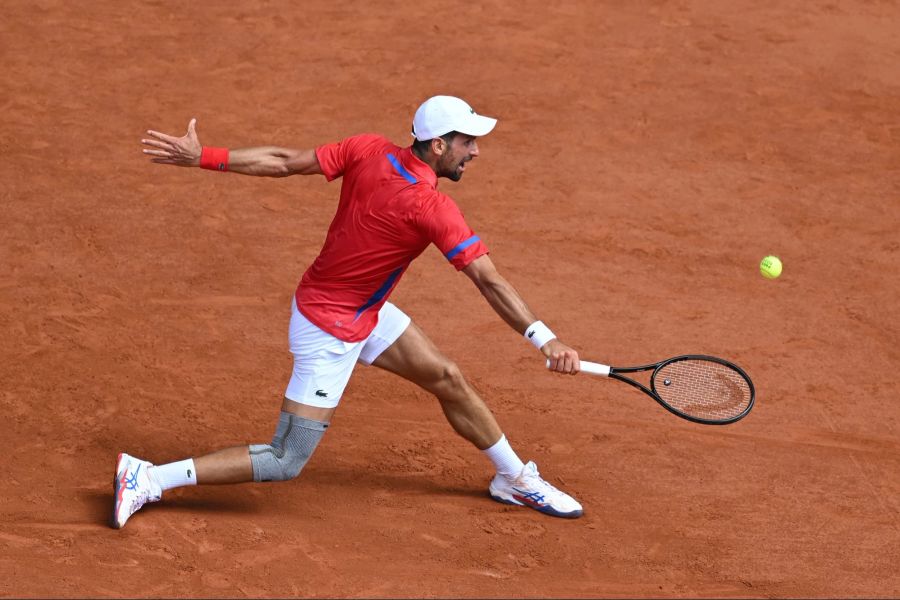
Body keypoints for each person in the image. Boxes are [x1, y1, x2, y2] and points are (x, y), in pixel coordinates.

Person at [117, 96, 583, 529]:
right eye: (467, 142)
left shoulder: (369, 149)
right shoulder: (431, 206)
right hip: (329, 329)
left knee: (446, 377)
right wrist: (545, 339)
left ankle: (513, 478)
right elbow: (488, 280)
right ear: (438, 144)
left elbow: (284, 162)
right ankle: (150, 478)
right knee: (284, 459)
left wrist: (204, 156)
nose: (476, 151)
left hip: (362, 308)